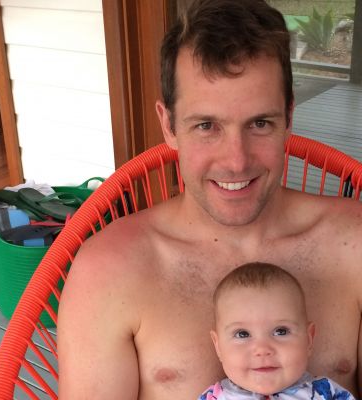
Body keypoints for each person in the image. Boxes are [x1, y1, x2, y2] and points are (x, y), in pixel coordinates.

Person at [57, 0, 362, 399]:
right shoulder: (109, 270)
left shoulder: (354, 243)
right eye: (206, 125)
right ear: (169, 125)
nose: (236, 161)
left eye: (260, 123)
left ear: (289, 118)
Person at [199, 262, 355, 399]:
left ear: (308, 339)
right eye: (242, 334)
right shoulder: (213, 397)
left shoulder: (327, 393)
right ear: (218, 346)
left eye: (281, 331)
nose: (262, 350)